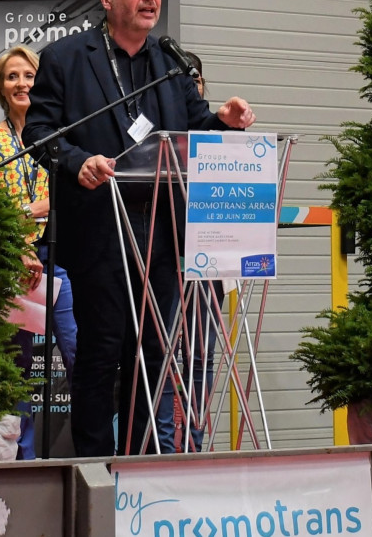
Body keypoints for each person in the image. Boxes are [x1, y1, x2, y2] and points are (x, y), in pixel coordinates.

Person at [23, 0, 255, 457]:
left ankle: (140, 467)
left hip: (161, 234)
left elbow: (193, 131)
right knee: (102, 355)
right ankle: (89, 470)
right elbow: (38, 132)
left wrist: (224, 121)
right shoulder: (66, 58)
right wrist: (78, 161)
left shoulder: (170, 62)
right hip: (101, 231)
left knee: (153, 356)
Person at [0, 45, 77, 459]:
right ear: (1, 87)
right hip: (11, 264)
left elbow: (71, 194)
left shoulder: (62, 137)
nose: (22, 84)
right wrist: (21, 226)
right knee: (14, 368)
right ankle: (23, 459)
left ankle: (100, 453)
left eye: (29, 76)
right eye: (12, 76)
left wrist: (39, 208)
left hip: (61, 259)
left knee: (79, 354)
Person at [156, 50, 223, 453]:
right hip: (160, 254)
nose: (190, 84)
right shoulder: (159, 144)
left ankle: (194, 443)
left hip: (206, 261)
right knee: (160, 355)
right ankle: (163, 444)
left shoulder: (220, 139)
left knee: (200, 358)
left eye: (195, 79)